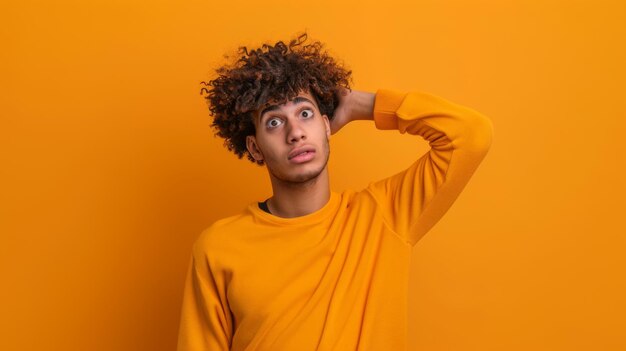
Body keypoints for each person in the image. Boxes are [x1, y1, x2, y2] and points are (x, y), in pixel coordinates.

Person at [177, 32, 494, 351]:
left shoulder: (385, 215)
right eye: (274, 122)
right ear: (254, 147)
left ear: (327, 126)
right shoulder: (218, 247)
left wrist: (361, 105)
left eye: (305, 113)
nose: (296, 133)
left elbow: (471, 135)